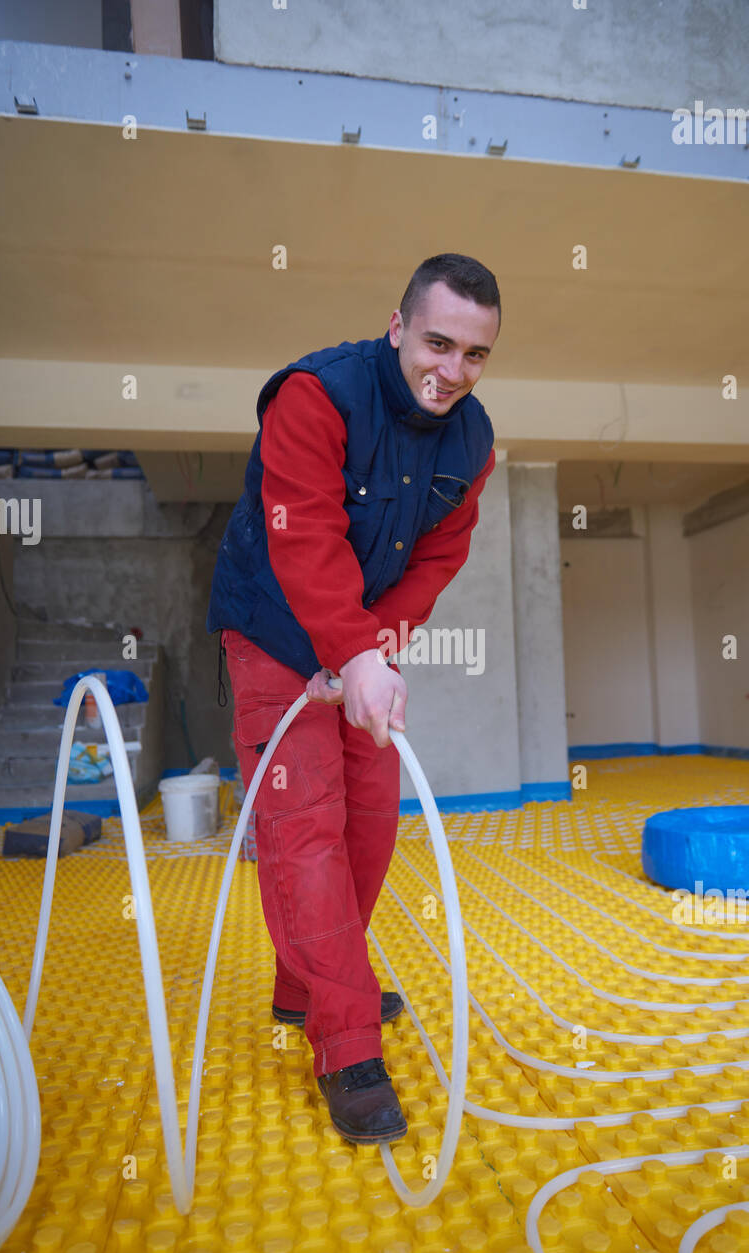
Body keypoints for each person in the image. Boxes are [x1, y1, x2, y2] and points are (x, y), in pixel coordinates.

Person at [207, 252, 501, 1143]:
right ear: (397, 326)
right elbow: (304, 533)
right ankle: (346, 1046)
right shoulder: (316, 396)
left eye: (474, 355)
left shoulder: (473, 439)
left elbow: (437, 558)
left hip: (357, 648)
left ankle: (305, 990)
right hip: (270, 633)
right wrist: (345, 648)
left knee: (367, 825)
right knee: (305, 836)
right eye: (437, 343)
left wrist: (375, 650)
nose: (450, 371)